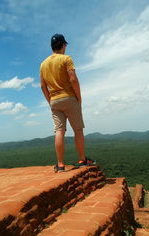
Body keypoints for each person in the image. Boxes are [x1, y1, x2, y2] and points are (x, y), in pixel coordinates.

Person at [40, 33, 95, 172]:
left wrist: (50, 101)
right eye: (65, 45)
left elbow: (42, 86)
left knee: (59, 131)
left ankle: (60, 165)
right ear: (63, 45)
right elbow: (73, 79)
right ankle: (83, 160)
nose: (65, 47)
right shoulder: (66, 59)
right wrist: (79, 97)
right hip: (69, 98)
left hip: (54, 101)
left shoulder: (43, 64)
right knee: (78, 130)